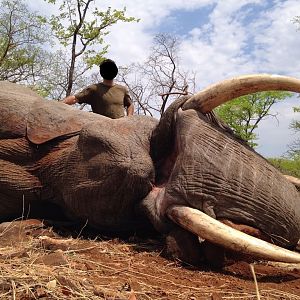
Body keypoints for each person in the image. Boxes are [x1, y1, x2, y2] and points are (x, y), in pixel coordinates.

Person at [63, 59, 134, 119]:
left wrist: (129, 118)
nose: (109, 71)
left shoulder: (122, 89)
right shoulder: (94, 89)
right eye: (106, 69)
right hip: (100, 127)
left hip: (120, 128)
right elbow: (75, 98)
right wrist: (57, 105)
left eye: (110, 68)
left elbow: (130, 105)